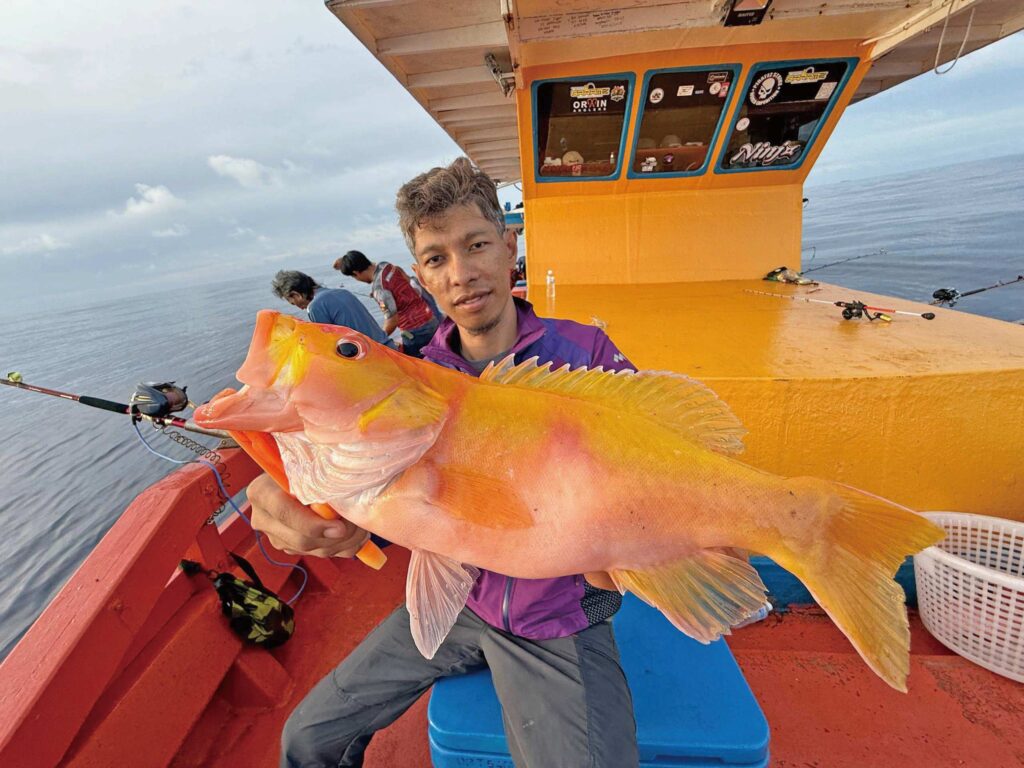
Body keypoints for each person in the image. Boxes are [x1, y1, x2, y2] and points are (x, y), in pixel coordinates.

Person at [252, 158, 640, 768]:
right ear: (419, 276)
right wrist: (276, 484)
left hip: (558, 613)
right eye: (437, 258)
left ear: (508, 246)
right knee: (305, 740)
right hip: (457, 602)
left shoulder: (585, 355)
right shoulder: (416, 377)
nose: (461, 274)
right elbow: (335, 442)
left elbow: (647, 461)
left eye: (476, 245)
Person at [333, 250, 439, 358]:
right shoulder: (387, 266)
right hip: (431, 318)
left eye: (353, 277)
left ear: (356, 273)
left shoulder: (379, 290)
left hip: (416, 333)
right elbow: (404, 279)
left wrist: (378, 339)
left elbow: (392, 320)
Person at [270, 270, 394, 348]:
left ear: (295, 294)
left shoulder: (315, 307)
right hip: (388, 347)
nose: (299, 307)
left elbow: (329, 346)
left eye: (293, 303)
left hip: (375, 360)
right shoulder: (342, 292)